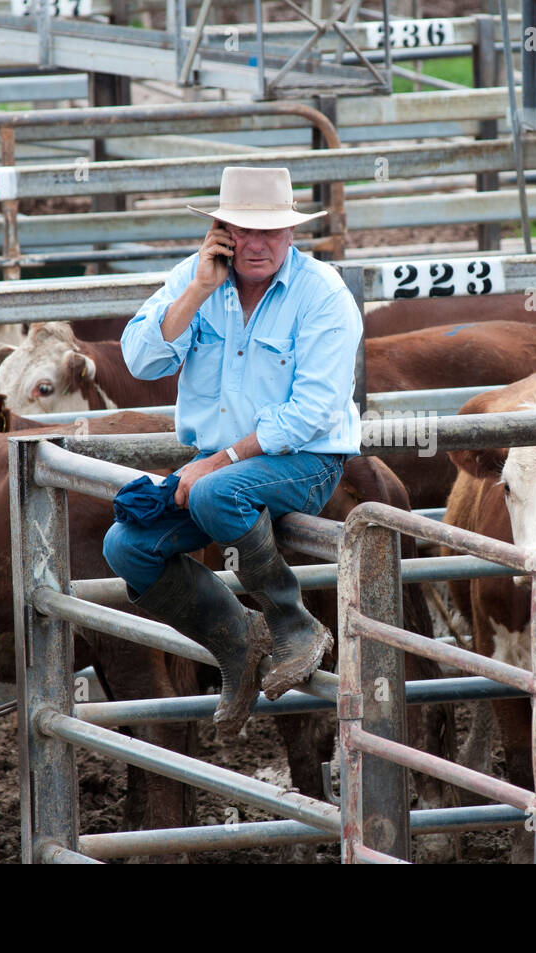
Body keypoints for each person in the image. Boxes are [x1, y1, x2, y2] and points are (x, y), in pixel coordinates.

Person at [102, 166, 362, 736]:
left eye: (273, 231)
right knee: (125, 546)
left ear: (292, 235)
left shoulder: (323, 295)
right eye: (246, 230)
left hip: (305, 463)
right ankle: (238, 642)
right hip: (220, 473)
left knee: (219, 491)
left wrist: (220, 461)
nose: (260, 244)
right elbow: (141, 360)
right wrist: (197, 289)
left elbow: (314, 412)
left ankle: (293, 624)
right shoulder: (195, 280)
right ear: (221, 231)